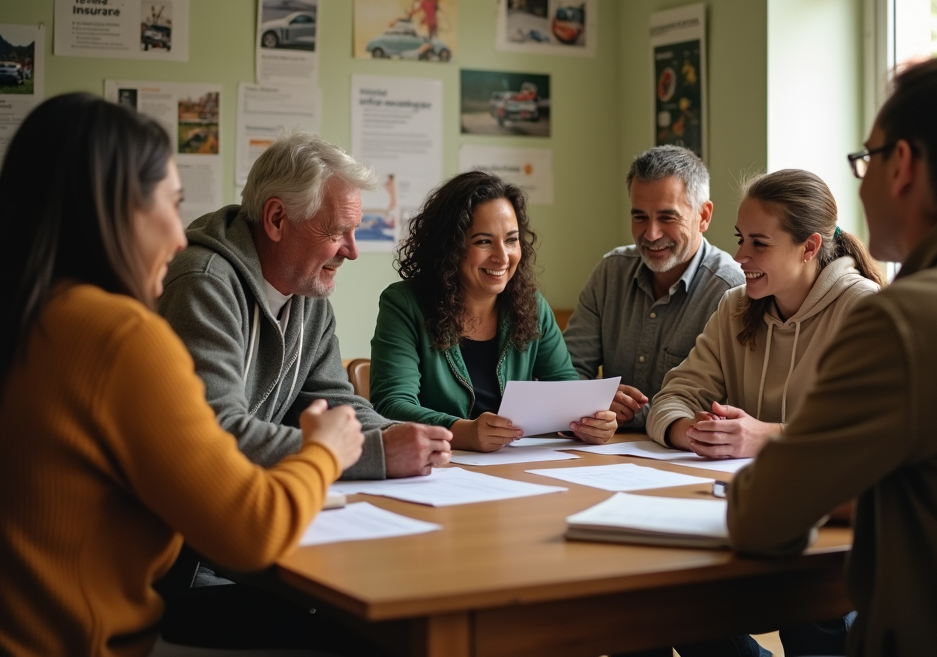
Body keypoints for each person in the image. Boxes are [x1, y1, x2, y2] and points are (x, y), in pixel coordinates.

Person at [0, 94, 364, 657]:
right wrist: (323, 452)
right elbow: (251, 530)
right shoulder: (119, 336)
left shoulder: (31, 318)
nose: (177, 238)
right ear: (112, 211)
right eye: (170, 206)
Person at [728, 45, 937, 657]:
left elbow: (760, 518)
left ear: (904, 165)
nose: (859, 190)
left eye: (864, 161)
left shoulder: (906, 320)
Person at [156, 131, 451, 647]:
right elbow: (215, 434)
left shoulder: (307, 293)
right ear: (275, 220)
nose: (354, 252)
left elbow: (337, 404)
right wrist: (379, 452)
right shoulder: (203, 282)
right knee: (367, 634)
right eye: (339, 232)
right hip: (190, 565)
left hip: (252, 537)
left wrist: (407, 436)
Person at [371, 171, 617, 451]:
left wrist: (590, 424)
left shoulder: (533, 307)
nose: (502, 256)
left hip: (516, 470)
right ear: (450, 247)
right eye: (483, 241)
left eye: (511, 240)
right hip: (438, 465)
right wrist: (464, 432)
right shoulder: (404, 304)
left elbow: (568, 397)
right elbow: (392, 406)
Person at [647, 169, 882, 461]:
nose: (739, 256)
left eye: (758, 243)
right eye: (741, 238)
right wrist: (697, 432)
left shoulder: (864, 308)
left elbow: (874, 431)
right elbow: (672, 398)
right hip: (745, 488)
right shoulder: (734, 305)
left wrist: (769, 437)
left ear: (809, 247)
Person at [563, 145, 744, 430]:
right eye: (640, 217)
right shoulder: (611, 272)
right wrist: (592, 402)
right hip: (603, 453)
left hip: (687, 457)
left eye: (667, 217)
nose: (651, 233)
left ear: (704, 216)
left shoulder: (731, 291)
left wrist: (615, 410)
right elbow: (566, 372)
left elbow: (721, 406)